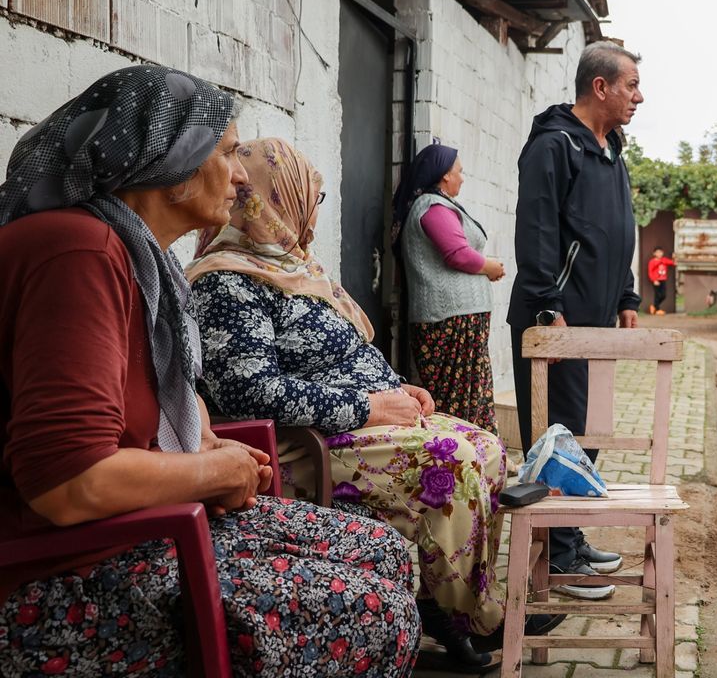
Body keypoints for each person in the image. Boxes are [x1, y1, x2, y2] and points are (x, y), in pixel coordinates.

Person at [0, 67, 420, 676]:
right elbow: (69, 483)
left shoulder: (139, 256)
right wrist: (208, 469)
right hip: (53, 573)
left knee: (385, 552)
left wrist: (203, 439)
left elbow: (146, 394)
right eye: (226, 152)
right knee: (376, 609)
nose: (242, 174)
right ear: (169, 162)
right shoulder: (78, 252)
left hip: (126, 532)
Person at [186, 138, 552, 671]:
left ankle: (447, 601)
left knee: (487, 446)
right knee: (453, 459)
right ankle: (475, 617)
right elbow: (250, 392)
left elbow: (345, 354)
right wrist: (369, 408)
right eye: (309, 195)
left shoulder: (291, 265)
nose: (314, 207)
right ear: (274, 197)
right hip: (301, 445)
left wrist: (399, 387)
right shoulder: (227, 281)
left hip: (351, 422)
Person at [508, 41, 645, 599]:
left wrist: (627, 296)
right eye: (632, 85)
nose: (640, 96)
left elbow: (620, 228)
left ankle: (571, 536)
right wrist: (547, 308)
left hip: (595, 319)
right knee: (554, 437)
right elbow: (537, 230)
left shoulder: (610, 148)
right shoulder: (553, 146)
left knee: (584, 436)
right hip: (556, 320)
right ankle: (558, 559)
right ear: (601, 87)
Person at [391, 143, 504, 432]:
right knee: (456, 396)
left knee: (473, 392)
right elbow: (457, 254)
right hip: (450, 321)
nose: (462, 178)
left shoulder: (438, 205)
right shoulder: (433, 207)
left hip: (460, 320)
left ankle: (481, 454)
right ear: (444, 175)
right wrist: (489, 266)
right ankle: (457, 456)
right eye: (460, 172)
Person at [647, 246, 677, 315]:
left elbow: (673, 263)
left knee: (663, 295)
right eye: (657, 252)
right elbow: (650, 272)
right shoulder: (652, 262)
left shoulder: (664, 260)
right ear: (654, 253)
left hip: (663, 280)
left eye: (660, 252)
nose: (659, 254)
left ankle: (654, 306)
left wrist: (674, 257)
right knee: (657, 295)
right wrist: (654, 280)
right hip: (656, 281)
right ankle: (657, 309)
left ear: (662, 253)